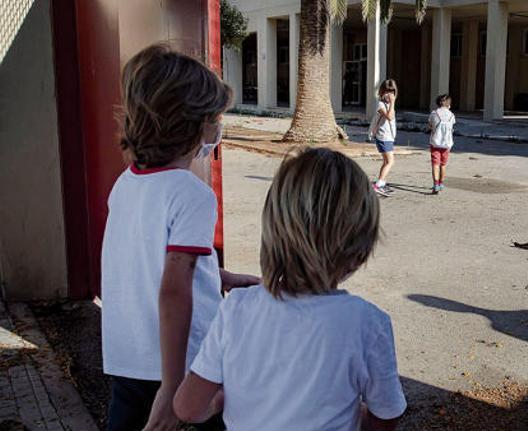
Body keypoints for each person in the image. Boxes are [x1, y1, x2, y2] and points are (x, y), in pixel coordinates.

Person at [173, 148, 407, 431]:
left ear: (272, 232)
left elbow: (187, 408)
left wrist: (222, 400)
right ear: (359, 251)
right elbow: (386, 416)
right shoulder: (368, 323)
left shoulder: (236, 308)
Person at [101, 44, 259, 431]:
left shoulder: (125, 185)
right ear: (191, 124)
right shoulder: (192, 194)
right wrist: (173, 386)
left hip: (127, 354)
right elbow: (173, 289)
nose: (218, 128)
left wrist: (217, 277)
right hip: (186, 361)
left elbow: (142, 262)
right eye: (214, 118)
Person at [369, 79, 398, 197]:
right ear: (381, 92)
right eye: (387, 91)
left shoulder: (387, 104)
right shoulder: (381, 104)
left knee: (387, 161)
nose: (390, 94)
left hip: (388, 136)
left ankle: (381, 183)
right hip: (383, 137)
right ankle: (378, 185)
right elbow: (390, 117)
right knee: (390, 161)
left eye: (392, 92)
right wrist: (392, 103)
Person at [428, 94, 456, 194]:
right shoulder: (452, 115)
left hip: (435, 142)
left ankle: (435, 184)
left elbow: (430, 126)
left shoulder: (434, 114)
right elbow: (452, 128)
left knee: (435, 164)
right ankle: (441, 183)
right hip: (447, 144)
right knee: (443, 165)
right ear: (449, 104)